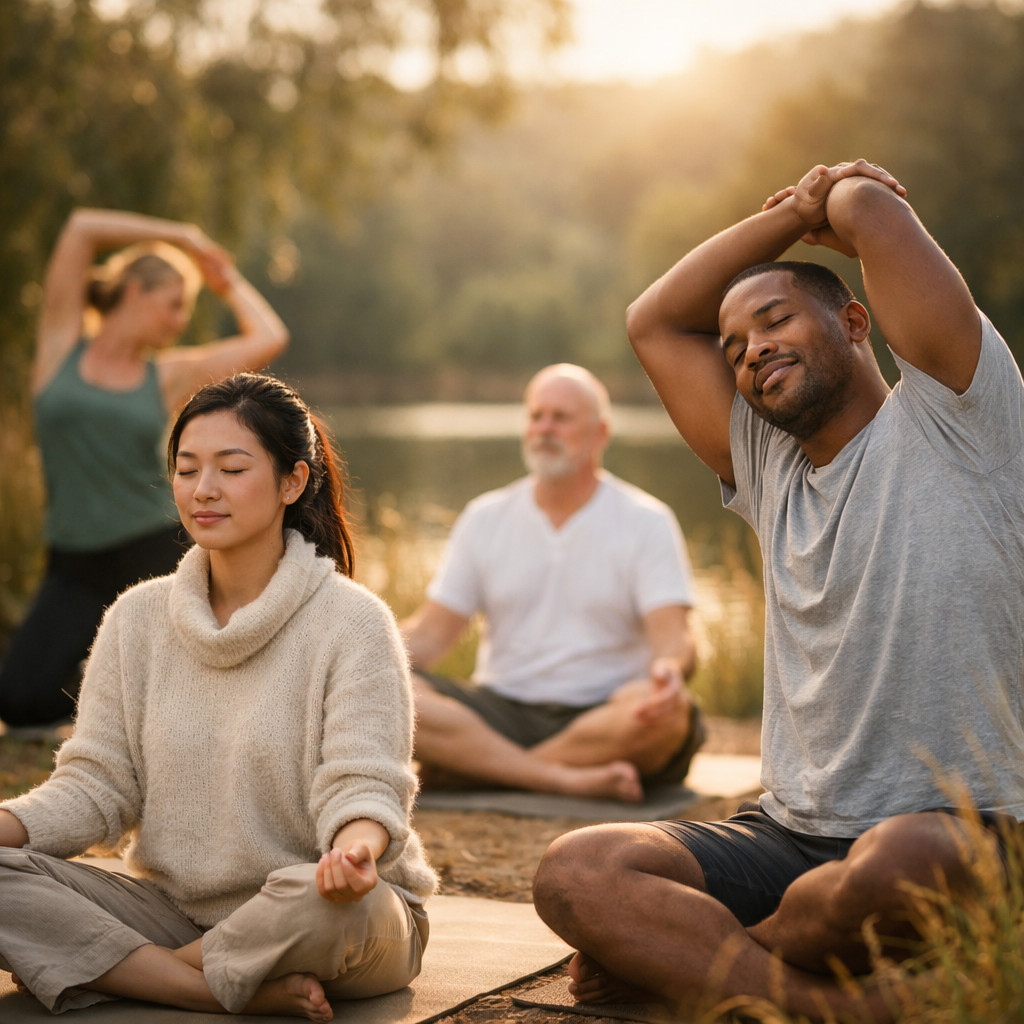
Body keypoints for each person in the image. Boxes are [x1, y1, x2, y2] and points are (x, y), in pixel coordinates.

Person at [532, 160, 1024, 1021]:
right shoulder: (768, 468)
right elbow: (653, 320)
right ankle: (826, 1004)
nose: (751, 349)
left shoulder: (959, 414)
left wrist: (821, 204)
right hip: (789, 833)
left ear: (857, 322)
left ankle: (712, 958)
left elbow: (871, 206)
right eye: (734, 346)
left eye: (773, 320)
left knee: (895, 869)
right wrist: (785, 219)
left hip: (959, 827)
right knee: (576, 873)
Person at [0, 374, 436, 1021]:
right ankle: (204, 987)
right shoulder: (135, 619)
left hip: (329, 909)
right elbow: (96, 788)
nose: (204, 490)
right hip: (174, 913)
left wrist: (355, 851)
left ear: (293, 481)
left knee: (317, 899)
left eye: (232, 469)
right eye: (187, 469)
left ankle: (128, 972)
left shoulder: (353, 622)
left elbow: (366, 785)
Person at [0, 208, 289, 735]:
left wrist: (225, 282)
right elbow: (81, 229)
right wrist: (181, 235)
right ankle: (122, 684)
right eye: (174, 304)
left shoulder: (165, 375)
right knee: (20, 698)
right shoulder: (61, 347)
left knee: (212, 682)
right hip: (73, 561)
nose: (180, 321)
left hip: (153, 549)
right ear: (135, 290)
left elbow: (269, 335)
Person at [402, 363, 702, 805]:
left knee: (670, 715)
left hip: (603, 716)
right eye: (536, 416)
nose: (544, 429)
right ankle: (559, 778)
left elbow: (673, 640)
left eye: (561, 418)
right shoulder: (485, 518)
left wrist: (670, 670)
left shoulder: (646, 521)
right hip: (499, 710)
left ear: (600, 433)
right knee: (388, 693)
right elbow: (429, 636)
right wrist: (356, 654)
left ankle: (482, 770)